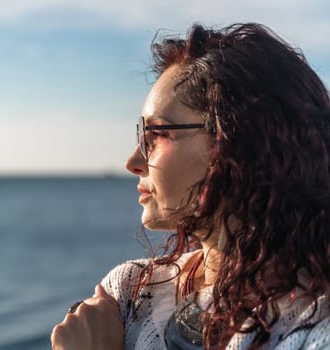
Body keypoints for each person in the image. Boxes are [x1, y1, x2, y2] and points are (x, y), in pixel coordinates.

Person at [51, 23, 330, 349]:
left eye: (157, 134)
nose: (133, 162)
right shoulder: (133, 292)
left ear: (240, 143)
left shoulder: (315, 327)